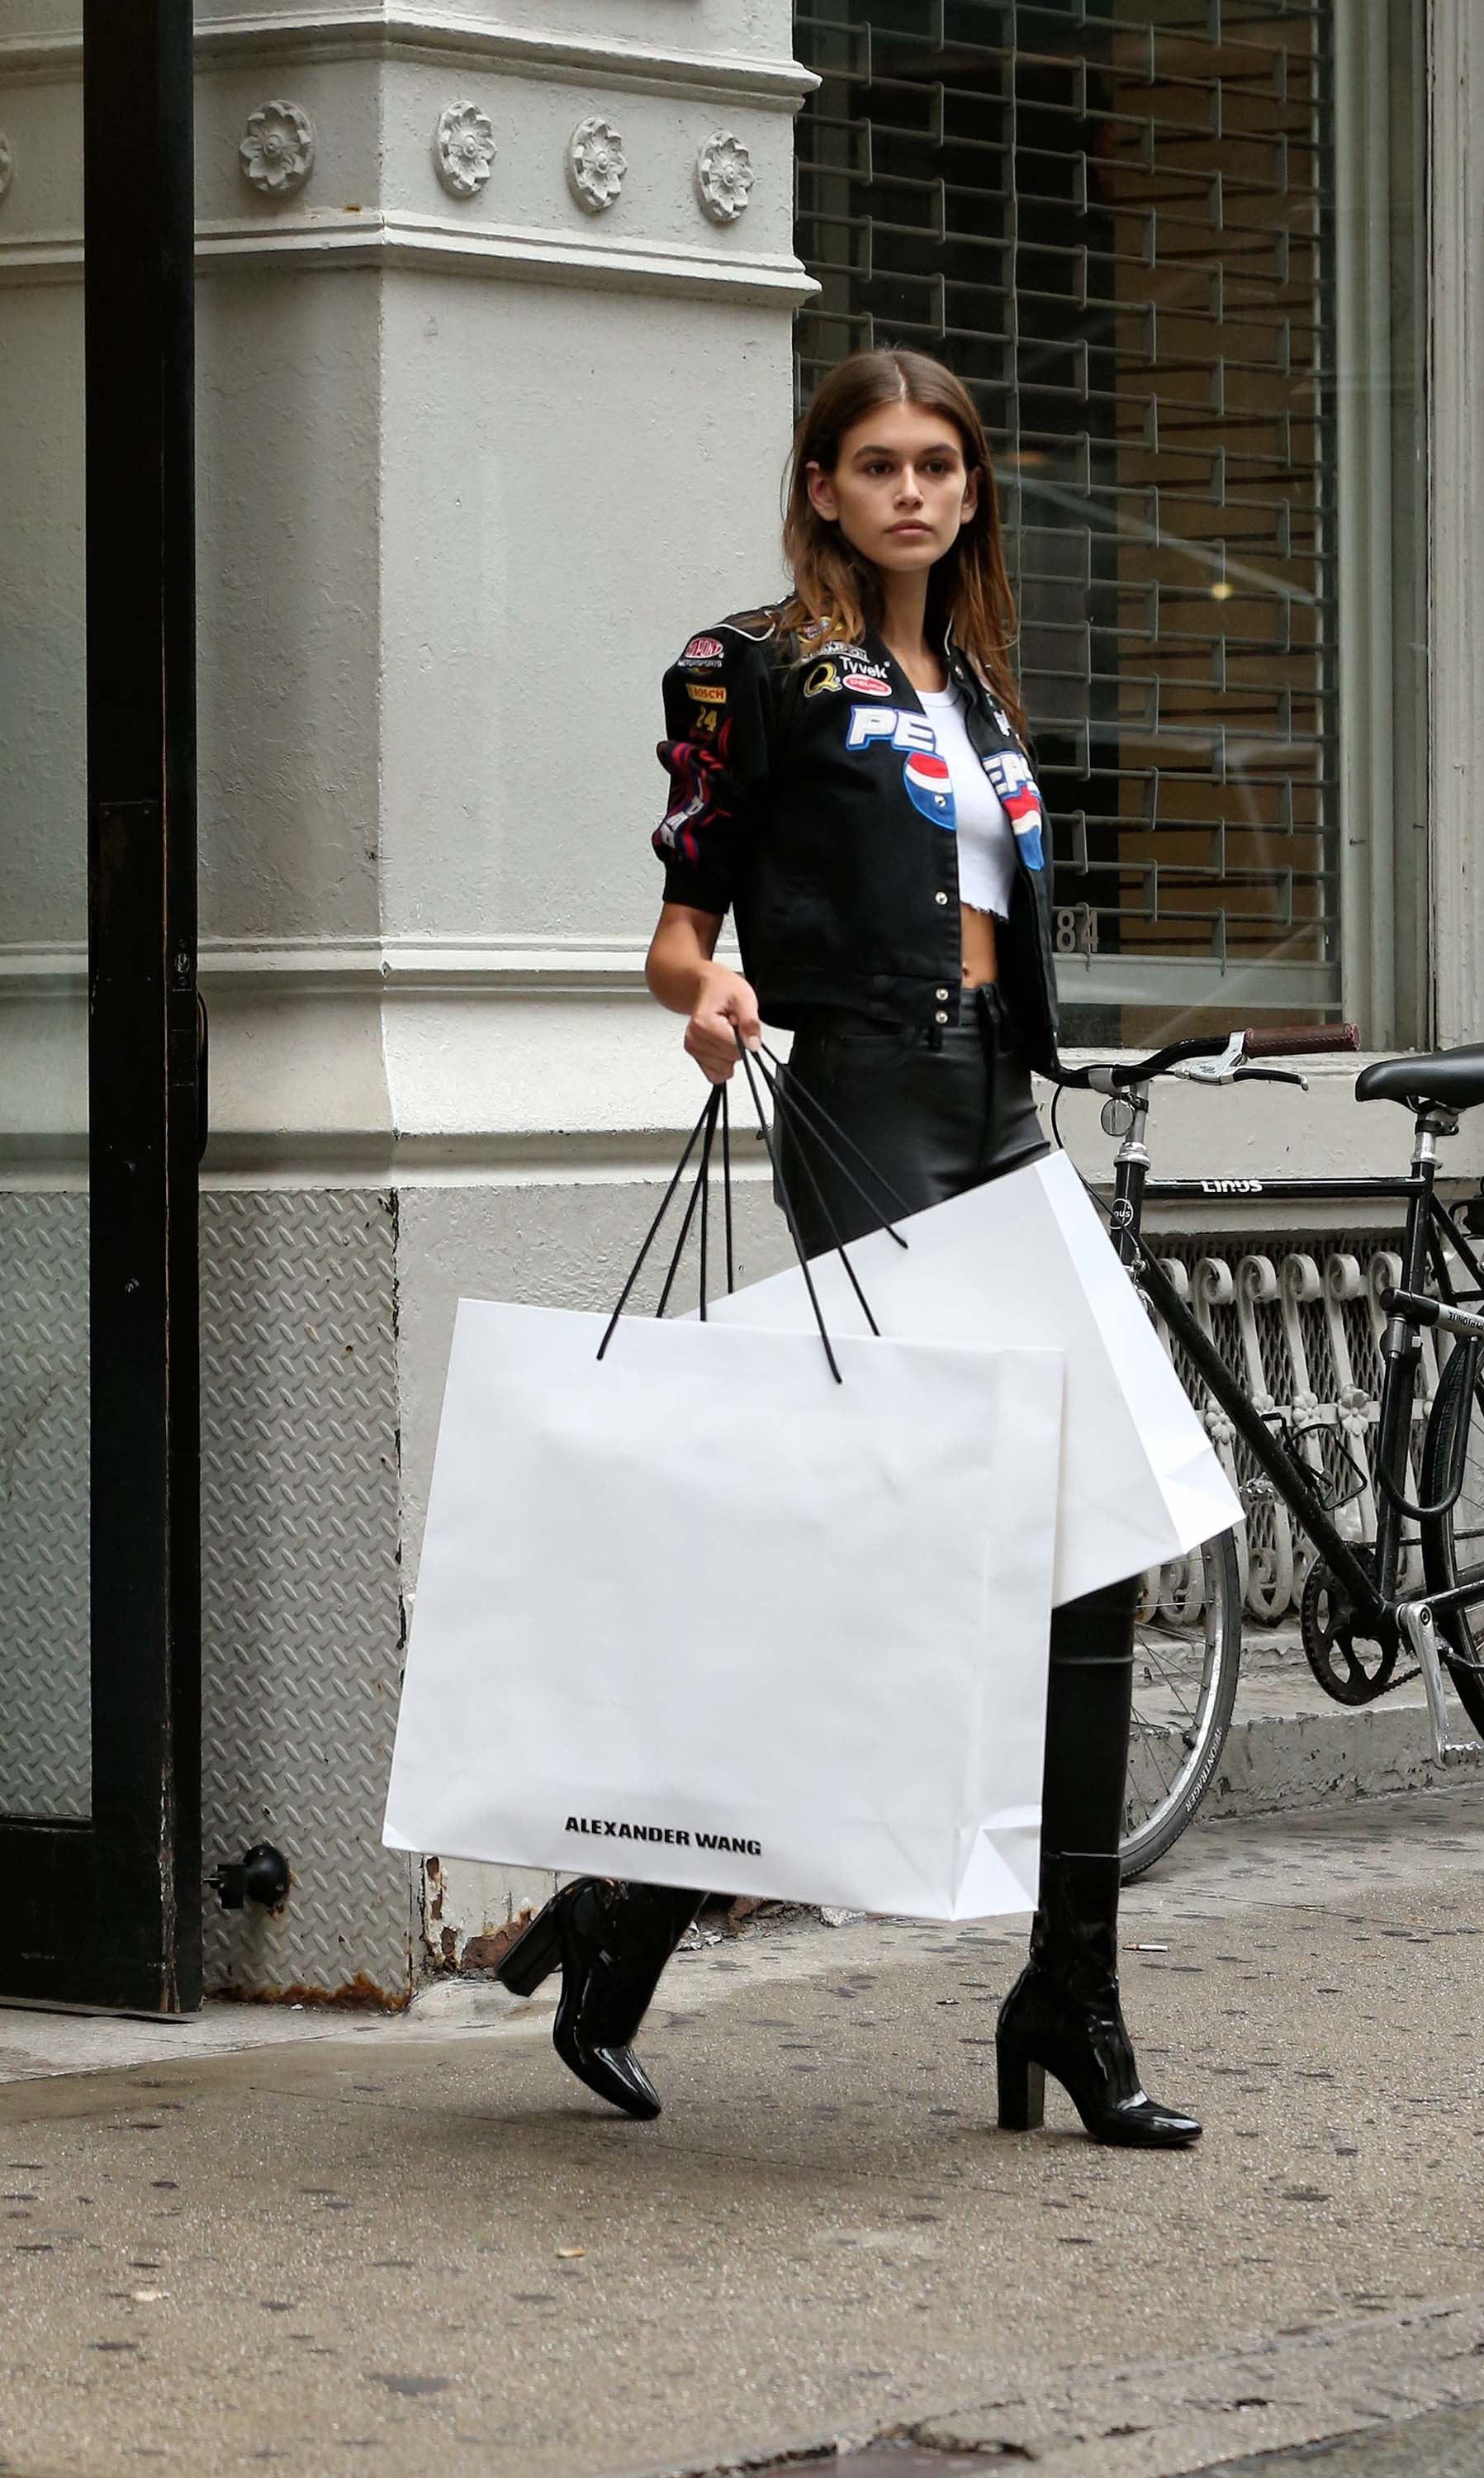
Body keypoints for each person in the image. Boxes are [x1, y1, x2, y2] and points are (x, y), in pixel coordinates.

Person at [495, 347, 1200, 2151]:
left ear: (969, 490)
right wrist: (710, 989)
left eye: (940, 466)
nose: (911, 492)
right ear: (820, 484)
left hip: (995, 1108)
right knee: (884, 1539)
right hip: (862, 1102)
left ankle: (1066, 1984)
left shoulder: (973, 683)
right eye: (876, 464)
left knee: (1102, 1532)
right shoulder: (752, 668)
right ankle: (632, 1897)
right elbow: (677, 923)